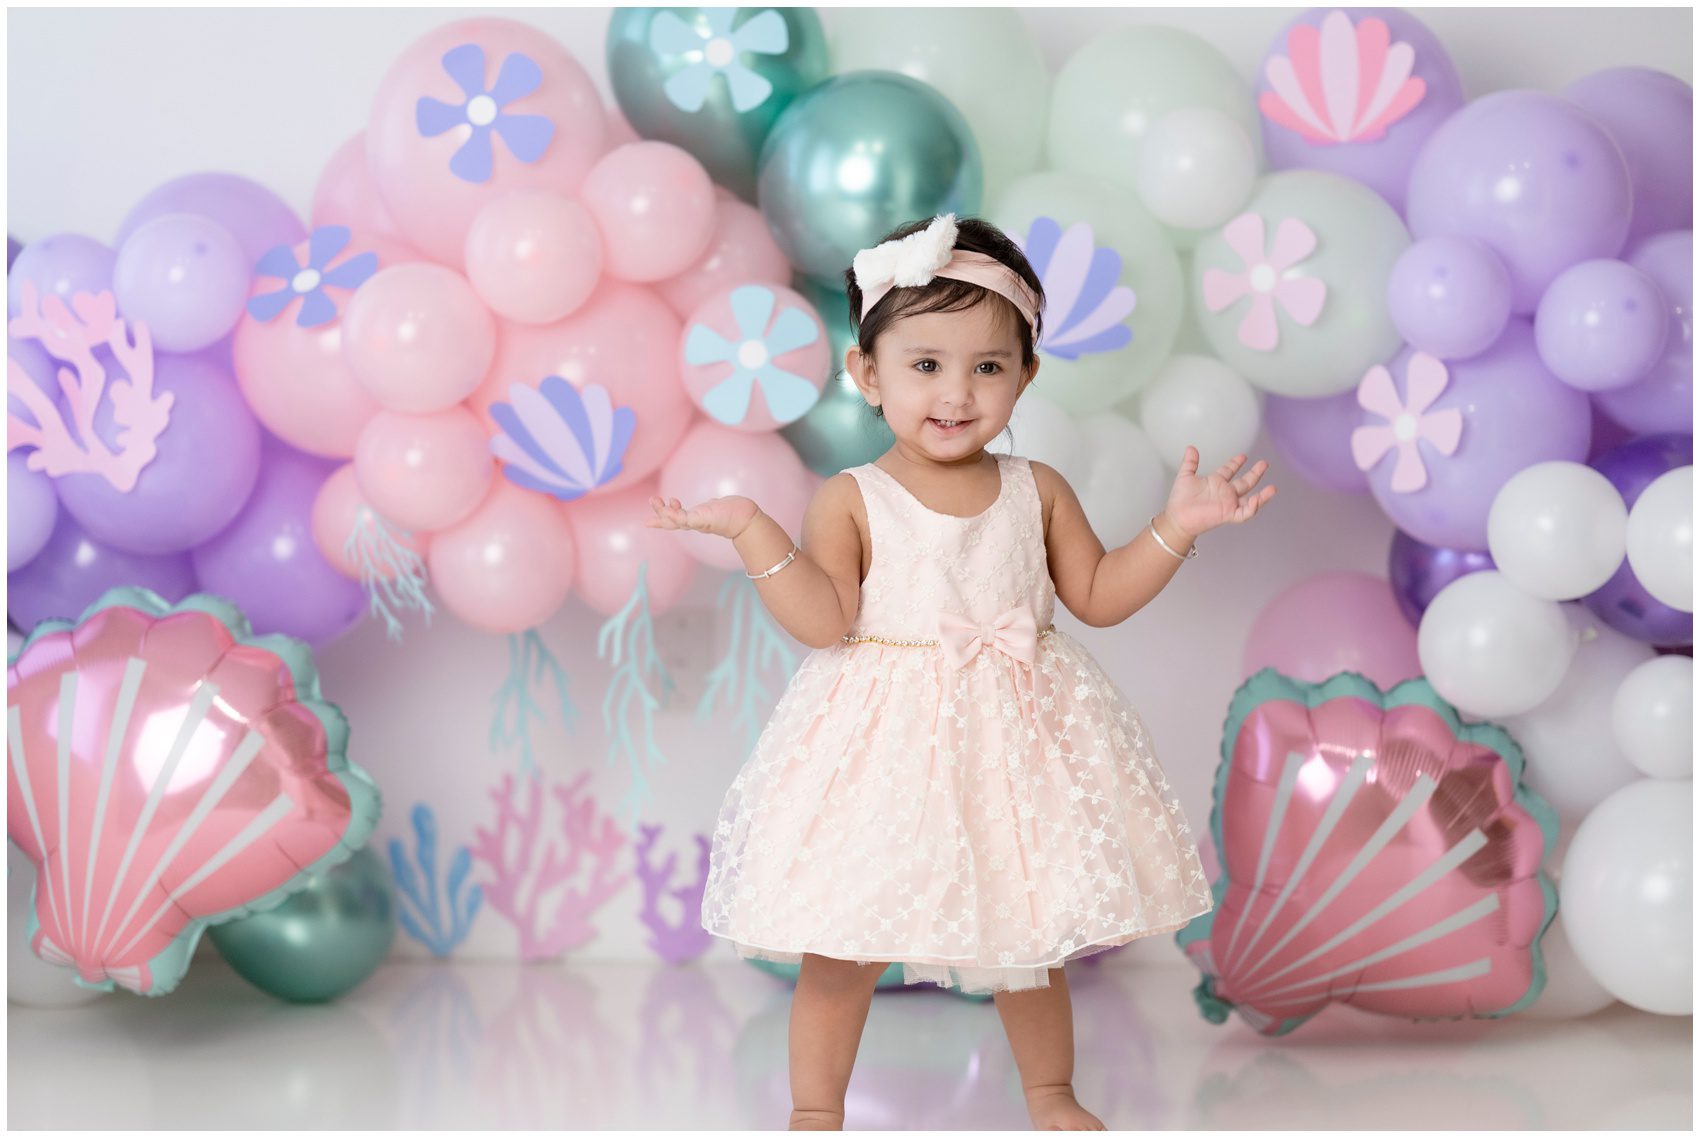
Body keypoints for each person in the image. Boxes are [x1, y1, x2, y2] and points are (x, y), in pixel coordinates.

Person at [647, 213, 1277, 1130]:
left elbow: (1097, 595)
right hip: (886, 750)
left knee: (1026, 933)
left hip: (1011, 739)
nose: (956, 393)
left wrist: (1175, 527)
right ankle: (817, 1109)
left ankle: (1051, 1092)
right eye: (925, 364)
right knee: (845, 940)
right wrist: (754, 529)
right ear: (867, 374)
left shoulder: (1038, 489)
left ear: (1026, 373)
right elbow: (824, 623)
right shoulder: (852, 497)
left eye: (988, 366)